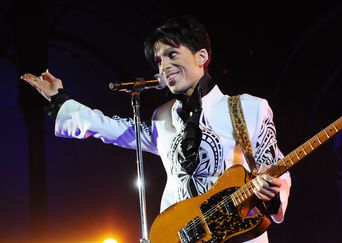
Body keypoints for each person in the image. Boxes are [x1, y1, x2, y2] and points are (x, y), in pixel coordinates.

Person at [21, 15, 291, 242]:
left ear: (202, 56)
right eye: (159, 60)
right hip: (180, 234)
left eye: (172, 54)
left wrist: (272, 192)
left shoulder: (248, 108)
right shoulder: (163, 117)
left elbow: (275, 169)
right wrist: (59, 100)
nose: (164, 66)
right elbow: (114, 128)